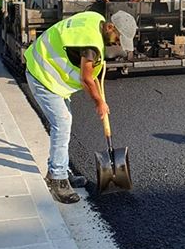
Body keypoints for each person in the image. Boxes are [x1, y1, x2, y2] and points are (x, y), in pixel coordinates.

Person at [24, 11, 135, 203]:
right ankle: (57, 179)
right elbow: (86, 78)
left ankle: (60, 168)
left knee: (64, 122)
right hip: (42, 74)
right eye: (118, 38)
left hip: (52, 75)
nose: (117, 43)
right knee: (62, 123)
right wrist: (99, 102)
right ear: (110, 27)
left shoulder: (95, 19)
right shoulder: (91, 44)